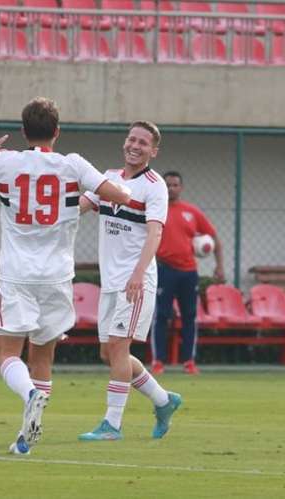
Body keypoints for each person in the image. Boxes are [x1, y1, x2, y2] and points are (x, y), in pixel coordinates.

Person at [0, 97, 130, 454]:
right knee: (42, 357)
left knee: (6, 355)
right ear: (57, 132)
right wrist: (81, 200)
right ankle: (27, 437)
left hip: (17, 275)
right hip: (58, 276)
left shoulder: (4, 162)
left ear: (24, 131)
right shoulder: (72, 164)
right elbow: (117, 194)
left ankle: (29, 393)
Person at [77, 121, 182, 441]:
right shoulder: (108, 180)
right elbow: (79, 206)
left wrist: (138, 274)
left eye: (143, 142)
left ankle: (112, 424)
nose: (135, 146)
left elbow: (155, 232)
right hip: (110, 283)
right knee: (109, 354)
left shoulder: (154, 186)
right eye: (131, 139)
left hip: (135, 282)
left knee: (119, 350)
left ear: (153, 150)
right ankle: (164, 400)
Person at [150, 171, 225, 375]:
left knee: (190, 316)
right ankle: (158, 362)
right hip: (164, 269)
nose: (171, 188)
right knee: (161, 316)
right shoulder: (156, 210)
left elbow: (214, 237)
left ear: (181, 188)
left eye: (175, 185)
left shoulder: (191, 212)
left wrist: (219, 266)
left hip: (189, 272)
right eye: (167, 185)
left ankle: (188, 362)